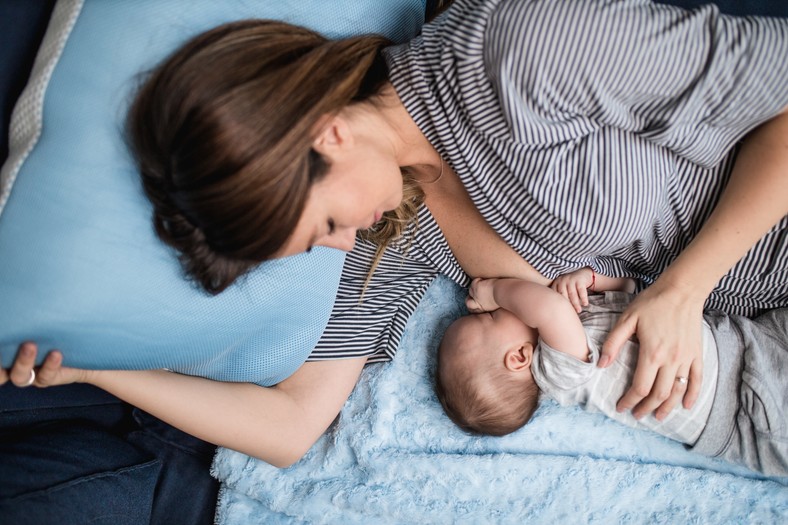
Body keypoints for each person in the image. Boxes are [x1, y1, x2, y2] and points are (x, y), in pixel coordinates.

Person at [3, 0, 788, 474]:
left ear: (328, 133)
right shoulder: (394, 240)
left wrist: (685, 289)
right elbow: (288, 427)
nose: (340, 248)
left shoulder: (514, 54)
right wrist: (96, 373)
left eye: (326, 224)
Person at [435, 271, 788, 476]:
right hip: (749, 405)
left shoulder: (570, 337)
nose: (481, 308)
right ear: (519, 358)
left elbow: (630, 291)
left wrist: (591, 279)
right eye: (486, 317)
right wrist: (494, 290)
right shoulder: (556, 373)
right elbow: (549, 308)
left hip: (745, 350)